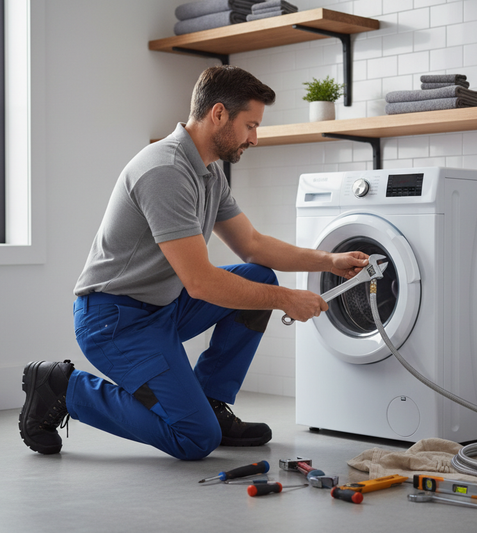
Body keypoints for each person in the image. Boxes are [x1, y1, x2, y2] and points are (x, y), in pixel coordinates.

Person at [19, 65, 368, 461]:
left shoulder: (208, 172)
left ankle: (211, 403)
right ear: (218, 114)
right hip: (114, 321)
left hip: (163, 307)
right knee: (194, 438)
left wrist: (329, 260)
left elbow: (252, 245)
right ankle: (65, 389)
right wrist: (286, 298)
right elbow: (201, 282)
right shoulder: (165, 171)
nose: (255, 138)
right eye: (250, 125)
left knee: (258, 276)